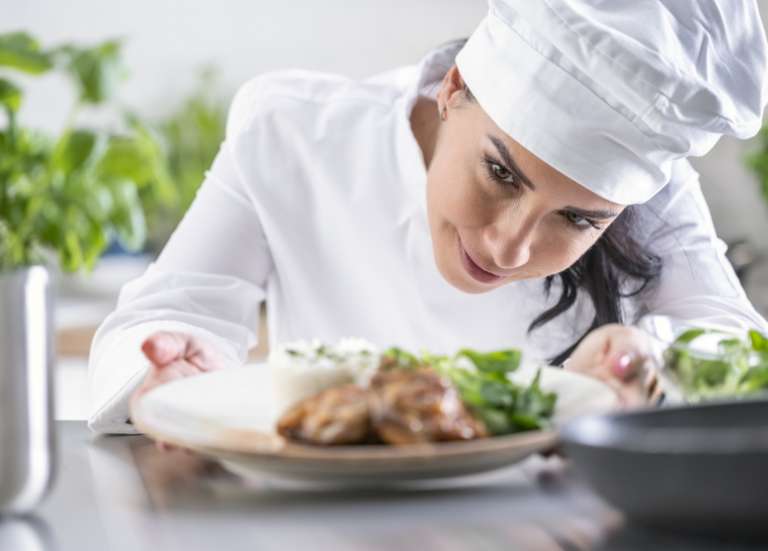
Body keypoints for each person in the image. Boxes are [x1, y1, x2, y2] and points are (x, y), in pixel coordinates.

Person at [88, 0, 768, 434]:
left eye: (577, 219)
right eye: (501, 173)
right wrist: (171, 371)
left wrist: (650, 358)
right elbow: (168, 312)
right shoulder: (293, 133)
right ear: (453, 87)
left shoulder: (656, 196)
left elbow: (737, 346)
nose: (510, 247)